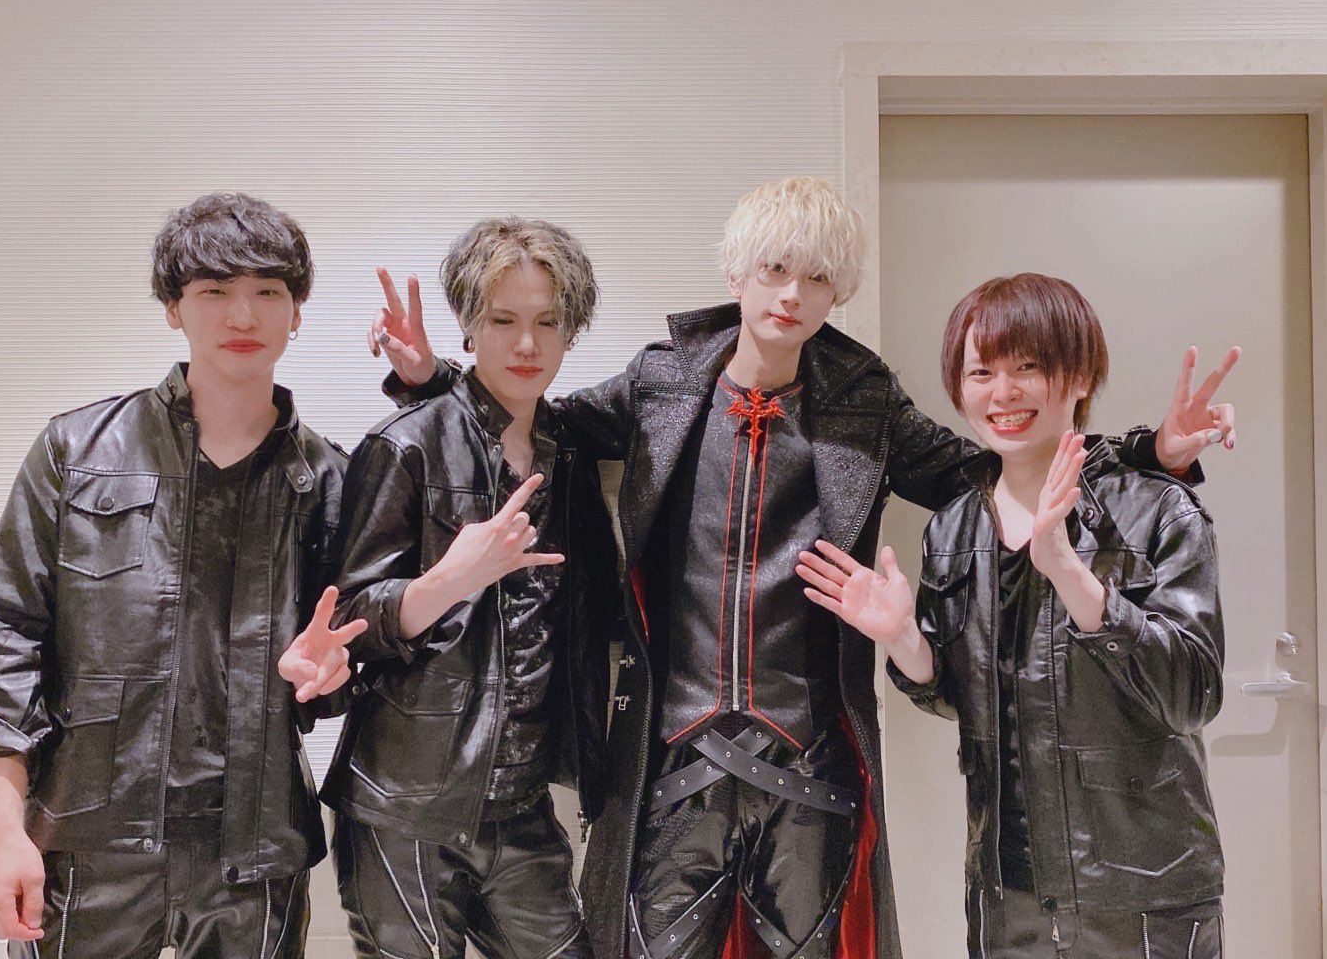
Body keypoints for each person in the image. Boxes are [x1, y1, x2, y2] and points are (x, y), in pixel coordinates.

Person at [371, 177, 1237, 959]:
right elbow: (540, 424)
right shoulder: (661, 381)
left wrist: (1147, 454)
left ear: (838, 291)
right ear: (738, 272)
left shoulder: (865, 397)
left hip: (813, 760)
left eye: (816, 277)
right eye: (776, 269)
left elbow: (991, 463)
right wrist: (431, 379)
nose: (792, 294)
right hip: (672, 754)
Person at [0, 192, 359, 958]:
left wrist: (331, 675)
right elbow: (9, 633)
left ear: (296, 312)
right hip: (87, 843)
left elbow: (347, 662)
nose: (243, 314)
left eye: (268, 291)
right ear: (174, 308)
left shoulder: (332, 481)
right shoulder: (76, 450)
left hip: (255, 856)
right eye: (214, 291)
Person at [798, 273, 1229, 958]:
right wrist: (904, 640)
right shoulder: (953, 528)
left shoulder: (1155, 509)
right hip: (1008, 898)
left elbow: (1192, 696)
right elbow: (959, 698)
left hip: (1144, 898)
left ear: (1079, 376)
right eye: (981, 372)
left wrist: (1070, 573)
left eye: (1027, 367)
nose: (1002, 393)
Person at [291, 217, 619, 959]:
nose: (526, 344)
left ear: (571, 332)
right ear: (470, 327)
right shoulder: (407, 443)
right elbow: (351, 617)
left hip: (521, 804)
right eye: (502, 321)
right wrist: (450, 580)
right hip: (403, 805)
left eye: (547, 322)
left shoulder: (570, 451)